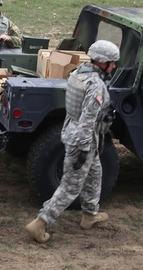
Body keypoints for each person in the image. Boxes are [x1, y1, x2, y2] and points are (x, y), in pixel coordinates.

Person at [26, 40, 118, 243]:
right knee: (70, 186)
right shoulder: (96, 85)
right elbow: (87, 118)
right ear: (101, 62)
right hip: (81, 140)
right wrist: (84, 149)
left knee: (95, 173)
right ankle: (40, 223)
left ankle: (90, 215)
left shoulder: (78, 74)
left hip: (77, 134)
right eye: (111, 63)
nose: (113, 66)